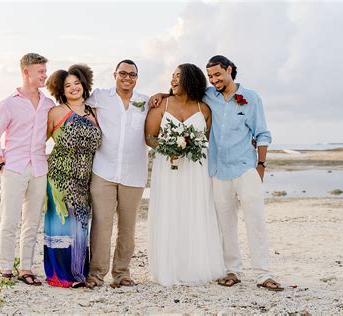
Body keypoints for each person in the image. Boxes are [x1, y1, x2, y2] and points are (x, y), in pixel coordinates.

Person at [150, 55, 283, 291]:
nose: (214, 80)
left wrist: (261, 165)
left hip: (245, 168)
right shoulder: (208, 96)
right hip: (218, 171)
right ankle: (232, 270)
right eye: (210, 76)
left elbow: (262, 133)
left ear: (229, 70)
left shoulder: (251, 98)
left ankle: (263, 273)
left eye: (218, 75)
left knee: (256, 222)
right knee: (225, 224)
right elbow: (184, 91)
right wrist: (162, 94)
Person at [145, 63, 226, 286]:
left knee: (195, 212)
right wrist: (169, 148)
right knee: (169, 212)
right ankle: (170, 268)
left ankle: (195, 266)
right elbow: (149, 137)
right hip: (167, 168)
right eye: (172, 76)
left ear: (190, 79)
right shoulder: (161, 104)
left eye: (178, 77)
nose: (172, 80)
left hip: (196, 170)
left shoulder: (204, 109)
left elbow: (206, 141)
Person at [0, 53, 55, 286]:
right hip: (14, 167)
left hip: (39, 168)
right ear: (26, 72)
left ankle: (26, 268)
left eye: (45, 71)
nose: (44, 75)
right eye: (40, 71)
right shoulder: (8, 104)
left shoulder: (48, 104)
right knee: (9, 219)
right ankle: (6, 267)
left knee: (32, 221)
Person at [85, 59, 149, 288]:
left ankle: (122, 273)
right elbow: (75, 101)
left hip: (134, 173)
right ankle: (95, 274)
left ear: (136, 78)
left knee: (128, 227)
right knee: (101, 224)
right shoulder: (100, 97)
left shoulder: (145, 102)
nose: (127, 78)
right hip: (103, 170)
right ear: (115, 75)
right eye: (123, 73)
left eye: (132, 74)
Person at [43, 64, 101, 288]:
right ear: (61, 90)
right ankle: (61, 276)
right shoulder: (57, 112)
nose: (74, 88)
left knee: (81, 225)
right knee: (62, 224)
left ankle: (79, 273)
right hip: (60, 176)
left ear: (84, 84)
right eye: (68, 85)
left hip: (85, 178)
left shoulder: (94, 112)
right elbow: (39, 142)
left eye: (77, 83)